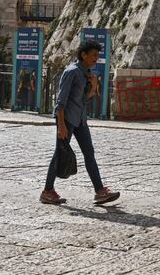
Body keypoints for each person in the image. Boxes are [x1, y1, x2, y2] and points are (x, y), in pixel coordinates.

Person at [40, 40, 119, 206]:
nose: (96, 59)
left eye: (97, 55)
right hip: (67, 119)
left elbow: (84, 99)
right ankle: (47, 191)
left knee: (89, 153)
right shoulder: (71, 72)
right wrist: (61, 125)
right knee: (59, 154)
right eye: (94, 55)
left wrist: (93, 87)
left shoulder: (87, 73)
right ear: (83, 55)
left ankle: (100, 191)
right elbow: (61, 101)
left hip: (80, 119)